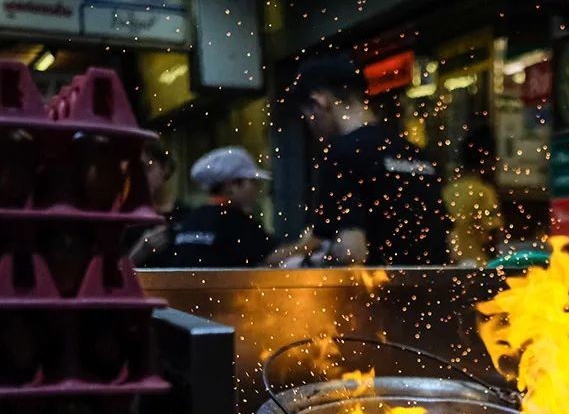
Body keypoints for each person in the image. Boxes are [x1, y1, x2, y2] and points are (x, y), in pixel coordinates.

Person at [286, 53, 451, 266]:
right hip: (431, 283)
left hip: (379, 285)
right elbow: (450, 242)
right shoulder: (414, 153)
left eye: (307, 116)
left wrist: (313, 262)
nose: (311, 125)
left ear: (319, 101)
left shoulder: (341, 154)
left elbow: (351, 251)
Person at [166, 146, 275, 267]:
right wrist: (294, 247)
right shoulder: (236, 222)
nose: (257, 187)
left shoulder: (191, 219)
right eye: (252, 181)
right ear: (232, 185)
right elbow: (273, 257)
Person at [443, 124, 504, 265]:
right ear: (487, 160)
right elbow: (493, 236)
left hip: (455, 264)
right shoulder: (484, 192)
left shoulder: (449, 190)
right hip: (479, 266)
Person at [125, 139, 185, 267]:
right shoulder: (126, 219)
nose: (140, 178)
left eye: (147, 169)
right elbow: (115, 273)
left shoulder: (185, 215)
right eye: (135, 172)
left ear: (165, 168)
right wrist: (141, 251)